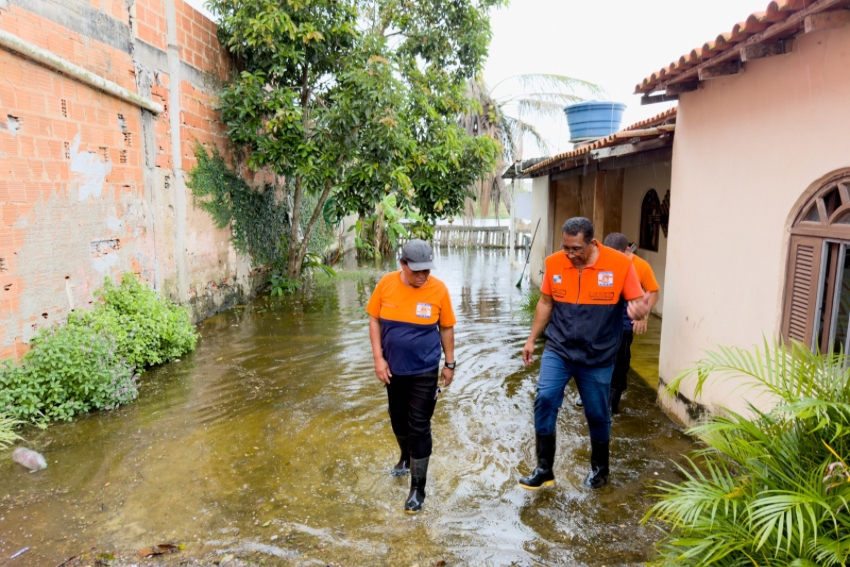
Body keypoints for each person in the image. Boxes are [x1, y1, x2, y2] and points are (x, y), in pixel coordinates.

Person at [519, 217, 650, 490]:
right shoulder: (555, 263)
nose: (570, 255)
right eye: (566, 247)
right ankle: (544, 469)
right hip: (560, 348)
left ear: (592, 242)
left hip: (598, 355)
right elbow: (546, 301)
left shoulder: (620, 265)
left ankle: (600, 470)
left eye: (576, 249)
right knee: (544, 398)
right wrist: (531, 339)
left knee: (597, 413)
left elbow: (638, 302)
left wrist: (639, 310)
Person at [366, 239, 456, 513]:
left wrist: (450, 363)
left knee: (419, 424)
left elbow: (446, 328)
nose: (423, 276)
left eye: (427, 270)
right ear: (402, 264)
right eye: (417, 270)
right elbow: (374, 319)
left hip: (425, 369)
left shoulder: (438, 290)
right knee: (398, 421)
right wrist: (378, 358)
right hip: (393, 368)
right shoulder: (386, 284)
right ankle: (405, 457)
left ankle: (418, 488)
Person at [602, 232, 660, 414]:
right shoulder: (602, 261)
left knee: (620, 361)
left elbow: (653, 292)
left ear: (627, 250)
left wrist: (643, 315)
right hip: (603, 320)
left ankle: (612, 406)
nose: (612, 259)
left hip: (626, 321)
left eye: (617, 254)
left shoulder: (641, 266)